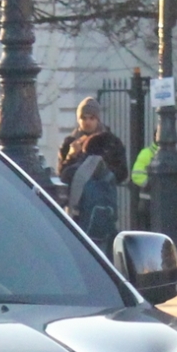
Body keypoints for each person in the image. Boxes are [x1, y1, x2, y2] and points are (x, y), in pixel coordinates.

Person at [55, 98, 127, 249]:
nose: (87, 122)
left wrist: (101, 169)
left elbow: (122, 173)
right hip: (77, 208)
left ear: (98, 119)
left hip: (102, 203)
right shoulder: (70, 143)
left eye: (91, 118)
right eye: (83, 118)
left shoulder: (111, 142)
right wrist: (71, 156)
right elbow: (62, 175)